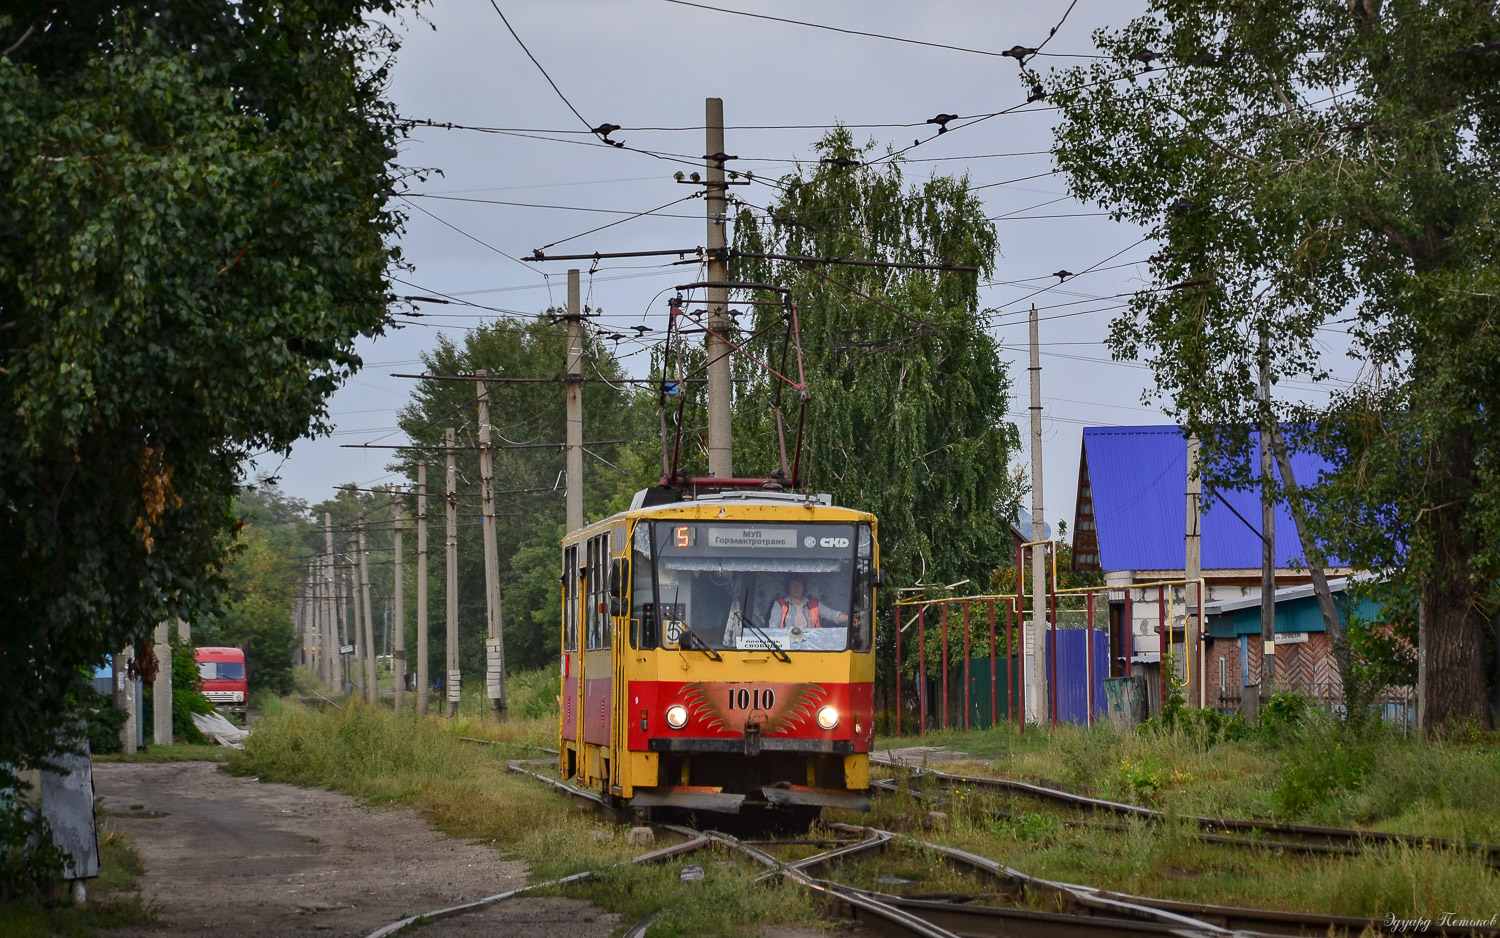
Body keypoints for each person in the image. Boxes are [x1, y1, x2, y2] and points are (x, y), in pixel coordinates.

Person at [766, 575, 849, 630]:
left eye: (799, 586)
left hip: (811, 646)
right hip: (787, 647)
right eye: (793, 586)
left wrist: (850, 619)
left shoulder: (814, 604)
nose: (796, 588)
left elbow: (832, 614)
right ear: (788, 587)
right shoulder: (780, 604)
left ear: (804, 588)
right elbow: (773, 628)